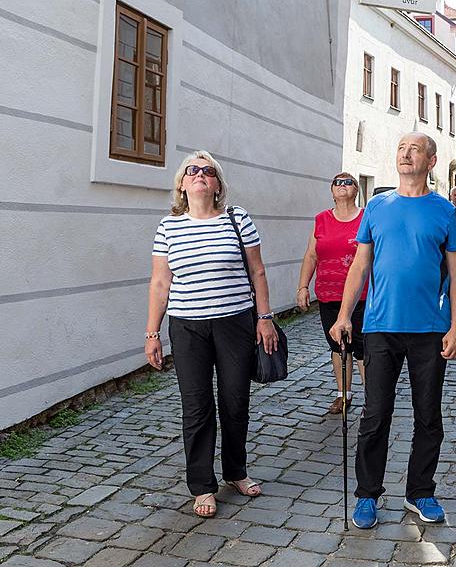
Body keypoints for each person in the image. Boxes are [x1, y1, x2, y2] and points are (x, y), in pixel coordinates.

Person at [330, 132, 456, 529]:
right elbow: (360, 265)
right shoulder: (377, 206)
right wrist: (343, 315)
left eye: (415, 149)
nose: (406, 154)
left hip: (429, 329)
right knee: (375, 414)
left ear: (432, 160)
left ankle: (420, 491)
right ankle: (367, 495)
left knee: (428, 416)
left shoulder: (443, 210)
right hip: (380, 326)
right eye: (401, 148)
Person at [145, 151, 277, 518]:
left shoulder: (238, 219)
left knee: (235, 401)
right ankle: (202, 485)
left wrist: (264, 318)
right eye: (193, 170)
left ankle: (236, 471)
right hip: (187, 328)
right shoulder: (168, 227)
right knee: (197, 405)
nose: (200, 175)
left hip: (236, 322)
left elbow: (258, 272)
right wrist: (152, 332)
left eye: (208, 171)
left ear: (217, 184)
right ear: (182, 184)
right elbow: (160, 282)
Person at [296, 172, 367, 414]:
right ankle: (343, 395)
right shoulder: (321, 220)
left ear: (356, 189)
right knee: (337, 345)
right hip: (329, 293)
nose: (343, 186)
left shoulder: (366, 218)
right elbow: (311, 255)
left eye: (348, 182)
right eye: (338, 182)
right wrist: (303, 286)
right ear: (331, 190)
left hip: (362, 293)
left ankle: (372, 397)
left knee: (362, 345)